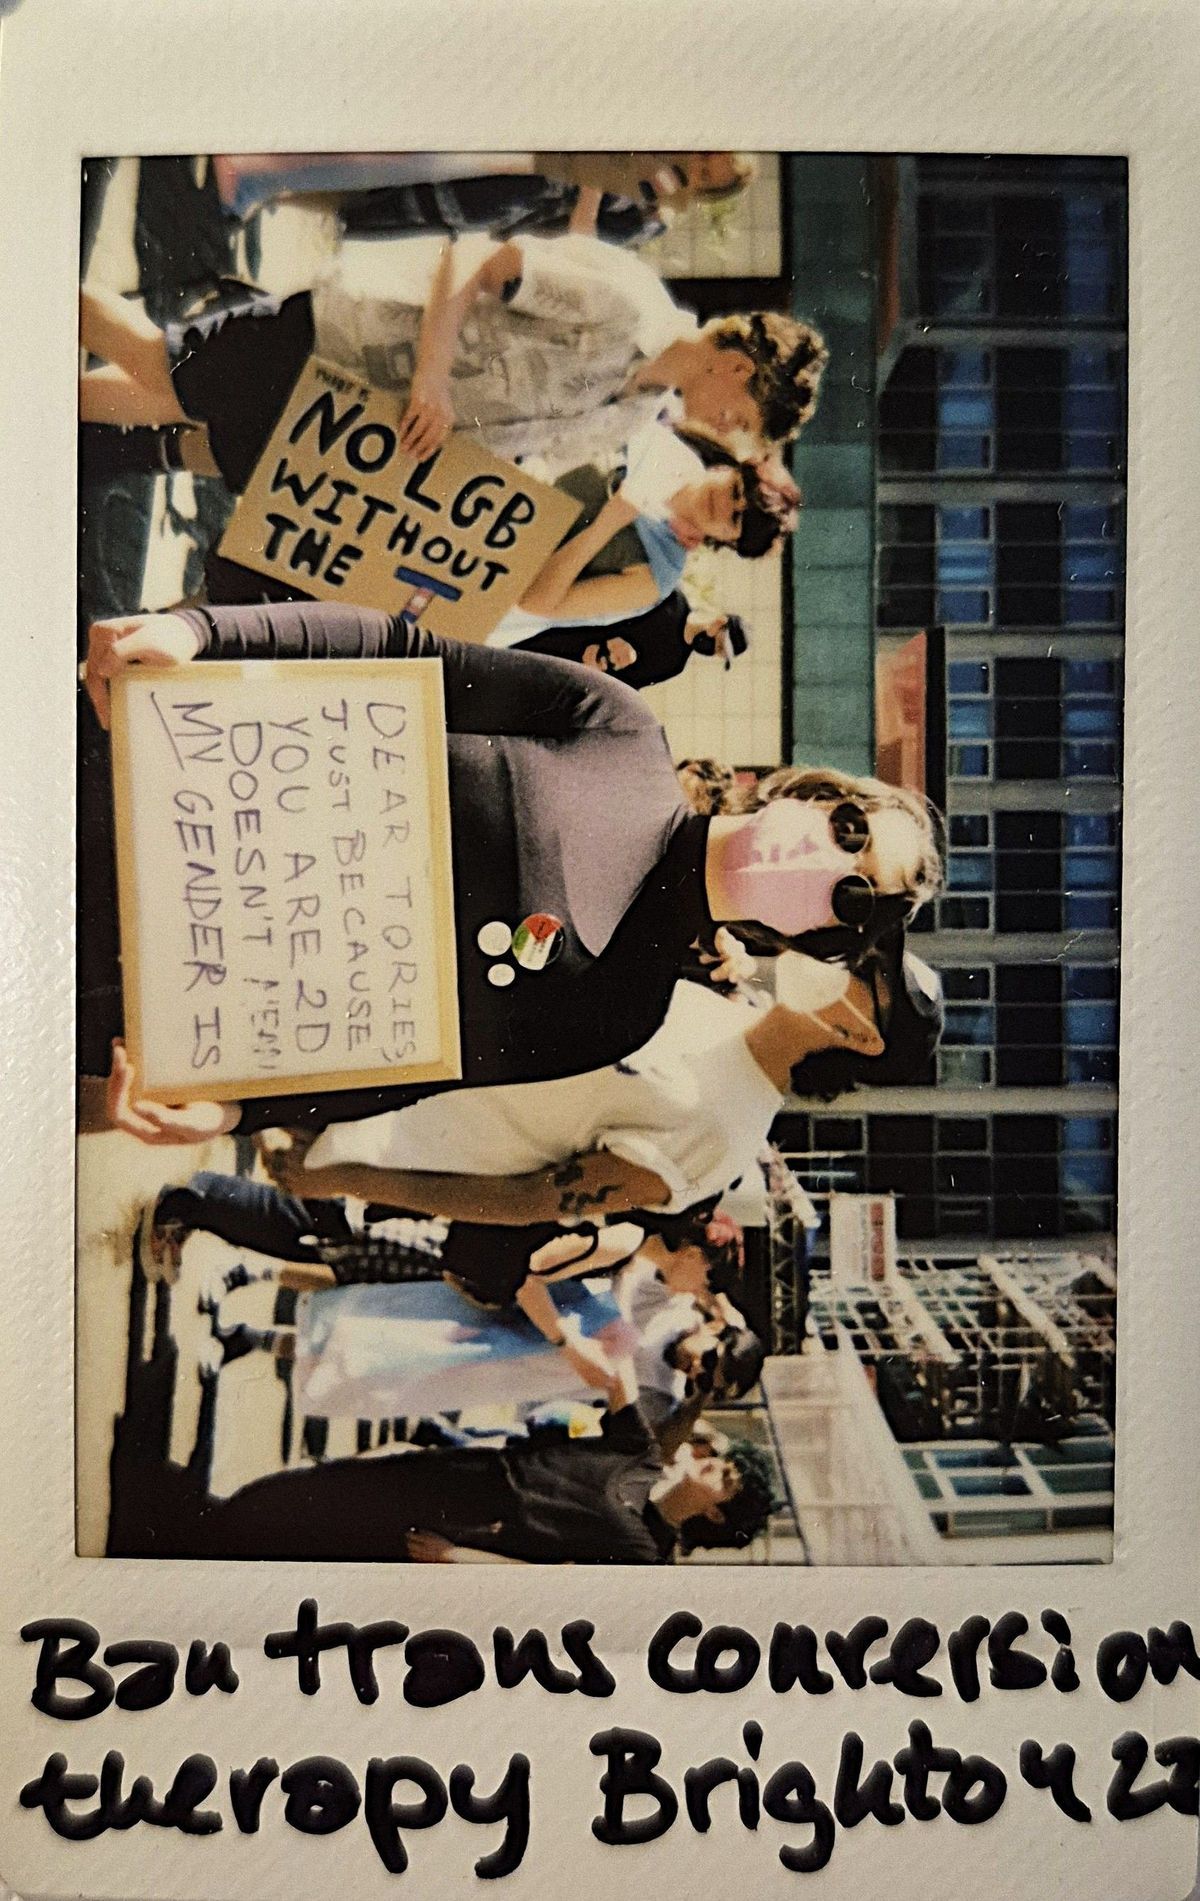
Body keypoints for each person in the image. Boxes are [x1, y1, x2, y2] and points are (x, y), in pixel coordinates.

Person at [82, 600, 942, 1144]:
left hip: (131, 986)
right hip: (120, 786)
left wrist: (237, 1112)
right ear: (819, 792)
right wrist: (196, 630)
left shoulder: (622, 1014)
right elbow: (394, 648)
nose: (827, 855)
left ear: (823, 935)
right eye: (849, 826)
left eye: (853, 887)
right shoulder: (619, 728)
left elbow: (408, 1071)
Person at [258, 943, 944, 1232]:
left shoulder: (726, 1136)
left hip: (368, 1127)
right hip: (385, 1038)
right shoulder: (714, 999)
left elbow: (531, 1202)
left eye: (862, 971)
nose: (838, 955)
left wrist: (347, 1176)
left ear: (861, 1037)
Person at [79, 228, 828, 489]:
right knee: (161, 361)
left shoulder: (631, 419)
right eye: (743, 416)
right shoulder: (628, 304)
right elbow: (474, 257)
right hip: (354, 333)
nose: (726, 428)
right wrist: (433, 379)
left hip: (353, 416)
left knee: (176, 396)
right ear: (738, 369)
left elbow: (519, 458)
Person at [179, 1353, 775, 1562]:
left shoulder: (644, 1558)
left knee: (340, 1537)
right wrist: (595, 1337)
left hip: (464, 1532)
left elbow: (553, 1587)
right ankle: (219, 1515)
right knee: (338, 1486)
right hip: (466, 1472)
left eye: (721, 1478)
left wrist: (457, 1557)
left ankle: (210, 1539)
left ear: (717, 1515)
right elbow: (616, 1374)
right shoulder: (643, 1457)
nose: (706, 1463)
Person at [488, 424, 796, 643]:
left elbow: (536, 603)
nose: (724, 504)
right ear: (726, 470)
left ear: (729, 540)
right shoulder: (655, 443)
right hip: (478, 475)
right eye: (736, 490)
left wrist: (608, 523)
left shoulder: (658, 571)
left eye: (736, 518)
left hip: (475, 571)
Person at [209, 150, 757, 226]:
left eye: (711, 172)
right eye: (711, 153)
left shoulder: (661, 184)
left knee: (385, 174)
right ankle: (259, 171)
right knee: (386, 161)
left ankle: (262, 176)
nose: (701, 160)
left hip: (519, 164)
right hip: (518, 146)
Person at [511, 595, 749, 691]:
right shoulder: (671, 599)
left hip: (566, 671)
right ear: (719, 622)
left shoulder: (674, 664)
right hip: (560, 628)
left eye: (718, 654)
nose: (712, 652)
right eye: (718, 646)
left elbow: (624, 686)